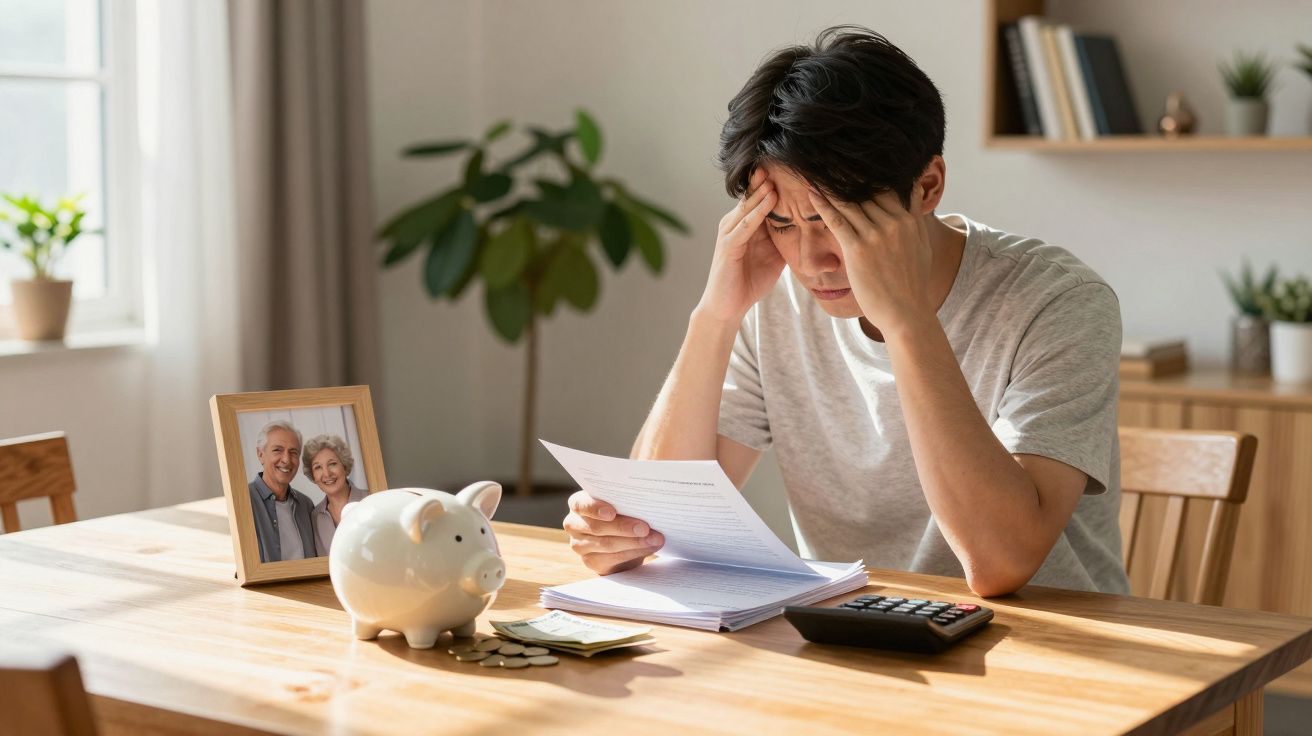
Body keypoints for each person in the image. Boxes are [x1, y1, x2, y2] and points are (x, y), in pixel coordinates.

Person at [562, 26, 1129, 597]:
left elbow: (1000, 563)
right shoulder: (774, 299)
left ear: (927, 185)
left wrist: (906, 319)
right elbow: (662, 523)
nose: (813, 262)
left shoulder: (1059, 302)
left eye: (837, 222)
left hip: (1050, 647)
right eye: (781, 223)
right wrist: (715, 314)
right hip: (845, 637)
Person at [247, 420, 316, 563]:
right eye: (277, 450)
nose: (286, 459)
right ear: (260, 454)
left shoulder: (306, 505)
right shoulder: (244, 500)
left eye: (293, 452)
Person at [303, 434, 368, 555]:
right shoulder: (315, 517)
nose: (327, 474)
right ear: (313, 475)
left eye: (332, 464)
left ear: (344, 465)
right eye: (318, 467)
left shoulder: (371, 500)